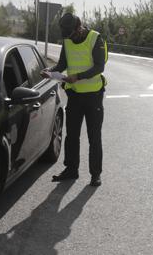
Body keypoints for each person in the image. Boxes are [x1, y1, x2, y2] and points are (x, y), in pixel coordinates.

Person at [42, 13, 108, 187]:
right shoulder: (67, 40)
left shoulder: (95, 38)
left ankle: (95, 175)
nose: (69, 37)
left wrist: (78, 76)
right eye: (67, 35)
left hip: (94, 96)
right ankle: (71, 170)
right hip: (75, 95)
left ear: (79, 27)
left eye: (71, 33)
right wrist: (50, 70)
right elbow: (62, 64)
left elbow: (99, 66)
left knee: (94, 137)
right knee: (72, 136)